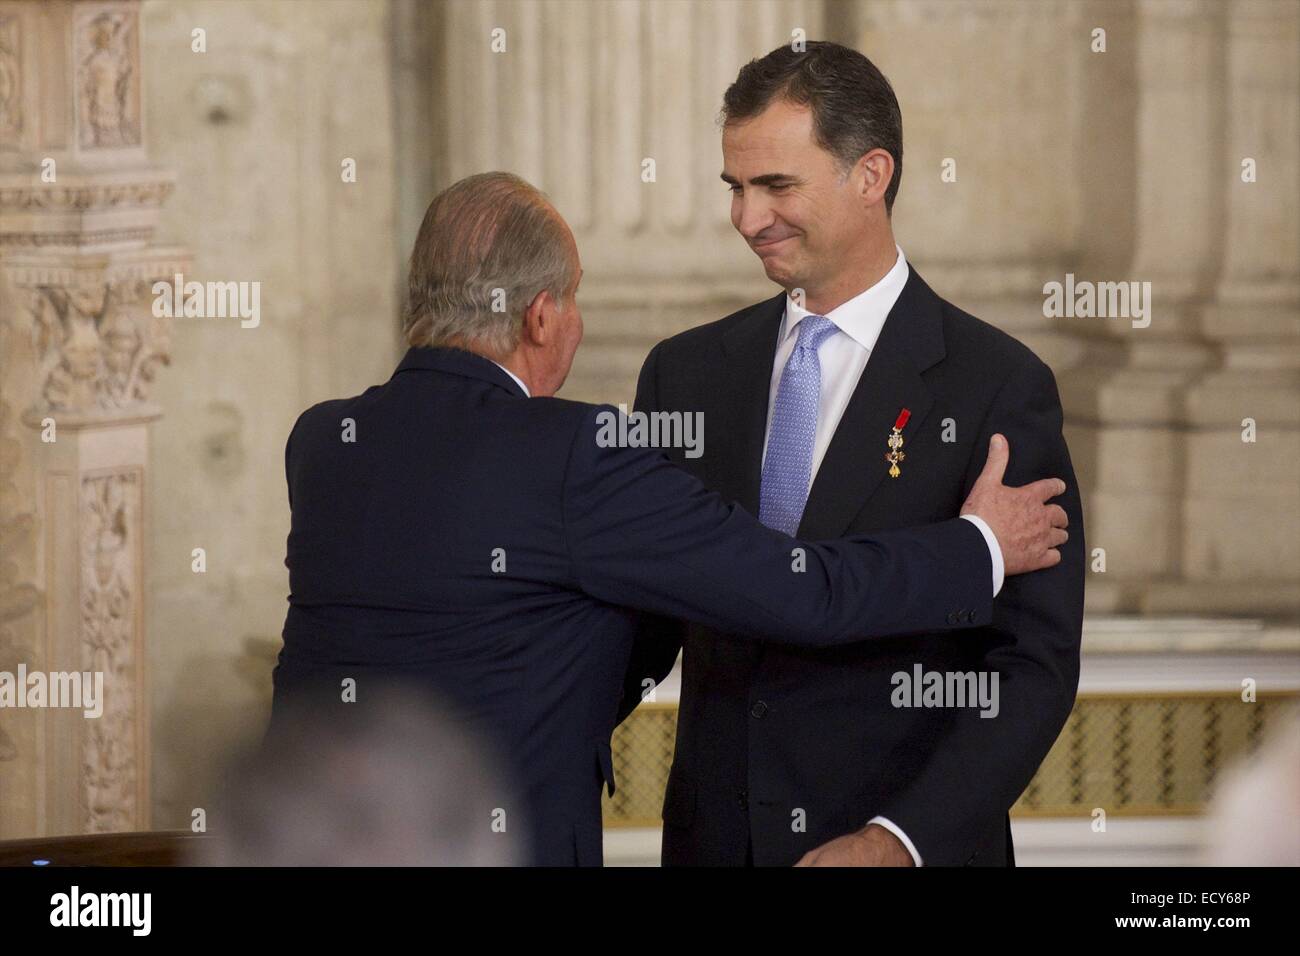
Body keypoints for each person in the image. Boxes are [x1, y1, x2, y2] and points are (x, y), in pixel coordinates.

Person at [270, 170, 1070, 866]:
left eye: (774, 185)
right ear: (542, 317)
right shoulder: (578, 451)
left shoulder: (321, 445)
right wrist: (981, 547)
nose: (748, 214)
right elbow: (802, 594)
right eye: (576, 298)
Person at [621, 41, 1086, 867]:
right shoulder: (683, 373)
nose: (746, 218)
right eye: (735, 187)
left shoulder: (997, 386)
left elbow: (1032, 669)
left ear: (871, 175)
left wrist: (895, 842)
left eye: (776, 185)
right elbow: (640, 626)